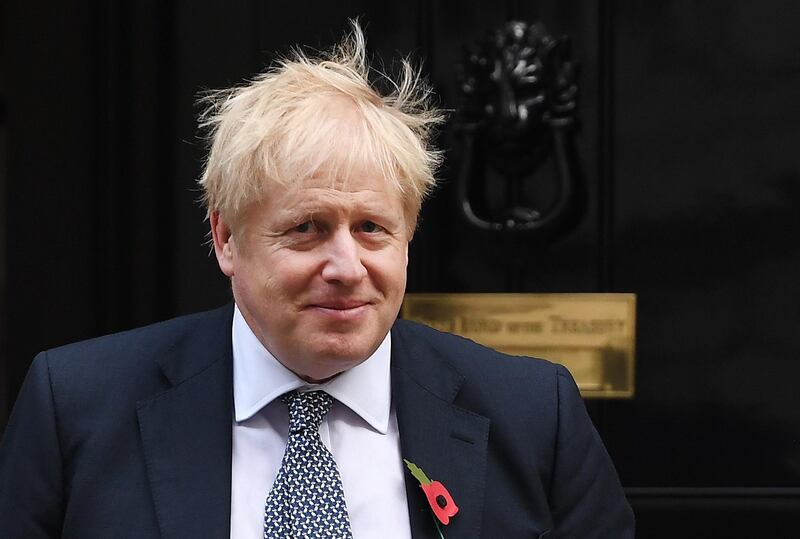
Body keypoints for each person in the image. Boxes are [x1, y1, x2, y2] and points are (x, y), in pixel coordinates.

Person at [0, 22, 634, 538]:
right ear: (225, 238)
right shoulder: (77, 410)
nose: (346, 267)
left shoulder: (532, 416)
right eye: (306, 228)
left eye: (372, 229)